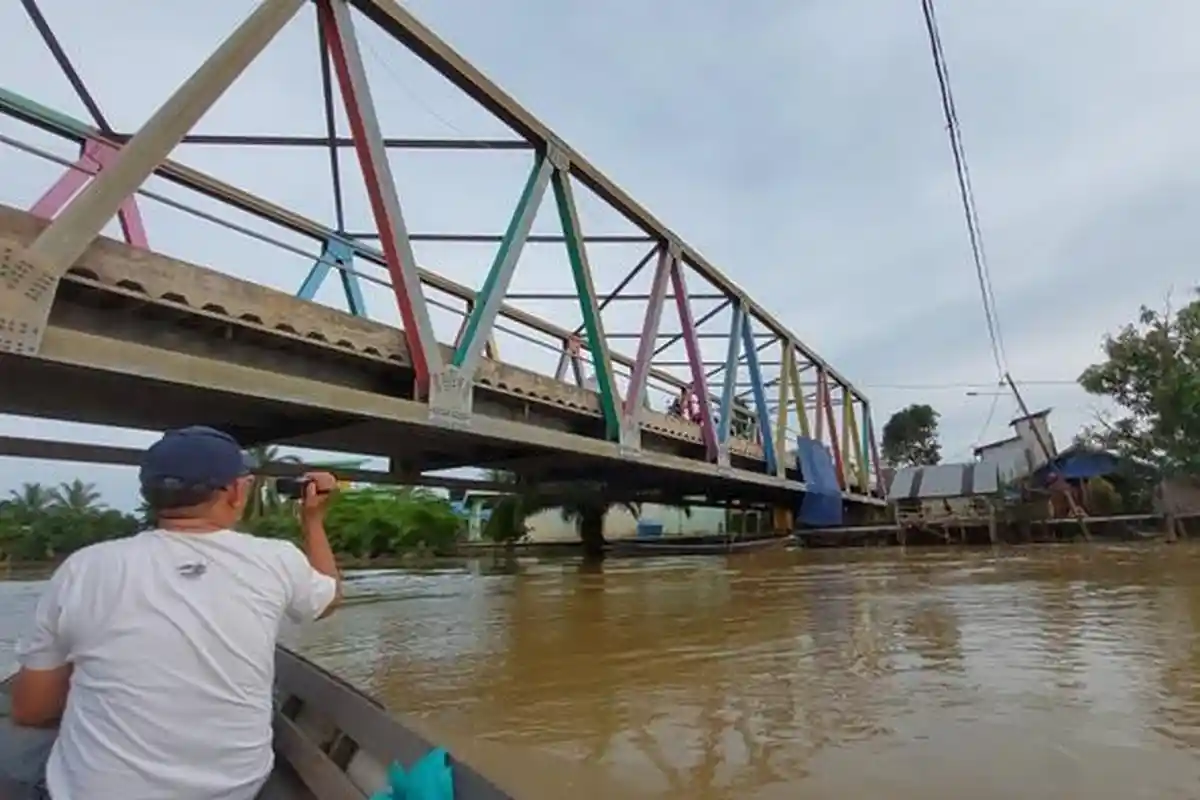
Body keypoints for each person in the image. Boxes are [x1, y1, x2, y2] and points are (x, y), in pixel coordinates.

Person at [9, 426, 343, 800]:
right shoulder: (276, 559)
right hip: (234, 790)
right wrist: (313, 521)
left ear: (148, 493)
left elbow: (32, 710)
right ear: (235, 491)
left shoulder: (83, 568)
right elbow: (327, 599)